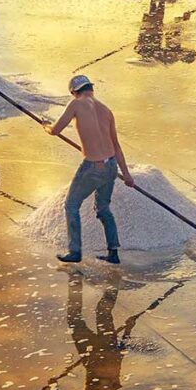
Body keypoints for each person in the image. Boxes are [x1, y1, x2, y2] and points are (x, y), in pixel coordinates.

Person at [49, 75, 135, 264]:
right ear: (91, 88)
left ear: (74, 92)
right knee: (103, 208)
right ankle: (113, 252)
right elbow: (116, 145)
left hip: (93, 168)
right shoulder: (106, 110)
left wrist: (46, 127)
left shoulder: (76, 104)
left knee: (71, 205)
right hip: (111, 165)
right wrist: (127, 175)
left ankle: (75, 251)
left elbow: (56, 130)